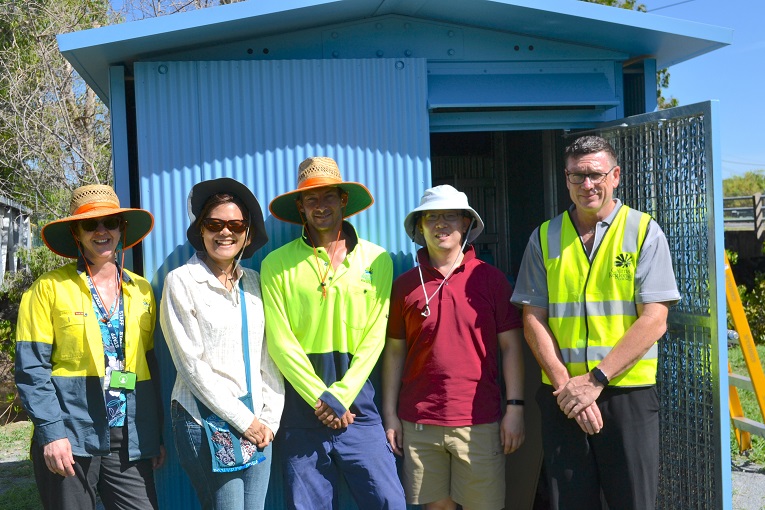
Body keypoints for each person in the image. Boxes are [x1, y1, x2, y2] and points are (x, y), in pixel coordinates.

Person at [511, 135, 681, 510]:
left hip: (626, 393)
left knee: (632, 500)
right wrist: (567, 388)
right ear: (566, 179)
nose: (587, 184)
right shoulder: (544, 237)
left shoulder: (643, 231)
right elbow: (532, 319)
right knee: (569, 501)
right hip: (562, 395)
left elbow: (654, 320)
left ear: (615, 175)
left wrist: (594, 380)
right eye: (577, 176)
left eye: (595, 174)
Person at [260, 156, 406, 510]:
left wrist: (341, 395)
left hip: (360, 410)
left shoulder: (377, 260)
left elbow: (375, 338)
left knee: (390, 502)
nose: (320, 205)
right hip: (301, 413)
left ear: (343, 200)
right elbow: (280, 343)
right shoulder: (275, 264)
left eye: (328, 197)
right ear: (300, 207)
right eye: (311, 199)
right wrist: (322, 399)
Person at [15, 184, 164, 510]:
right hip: (72, 433)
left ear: (121, 229)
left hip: (128, 438)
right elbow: (31, 369)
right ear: (76, 232)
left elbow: (150, 362)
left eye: (110, 222)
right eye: (90, 224)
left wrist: (154, 433)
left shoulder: (140, 290)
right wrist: (52, 434)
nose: (102, 231)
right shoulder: (48, 289)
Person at [382, 185, 526, 510]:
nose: (441, 224)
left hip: (478, 420)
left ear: (466, 224)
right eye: (432, 217)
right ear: (420, 227)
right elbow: (394, 353)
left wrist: (515, 408)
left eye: (450, 216)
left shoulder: (490, 280)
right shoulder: (405, 285)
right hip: (419, 422)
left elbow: (512, 348)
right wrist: (390, 414)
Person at [159, 177, 284, 510]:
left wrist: (269, 421)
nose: (224, 232)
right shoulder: (182, 281)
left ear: (247, 233)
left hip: (259, 425)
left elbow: (268, 359)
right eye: (214, 224)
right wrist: (245, 422)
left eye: (235, 224)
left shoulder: (255, 283)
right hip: (203, 421)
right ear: (201, 230)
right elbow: (191, 364)